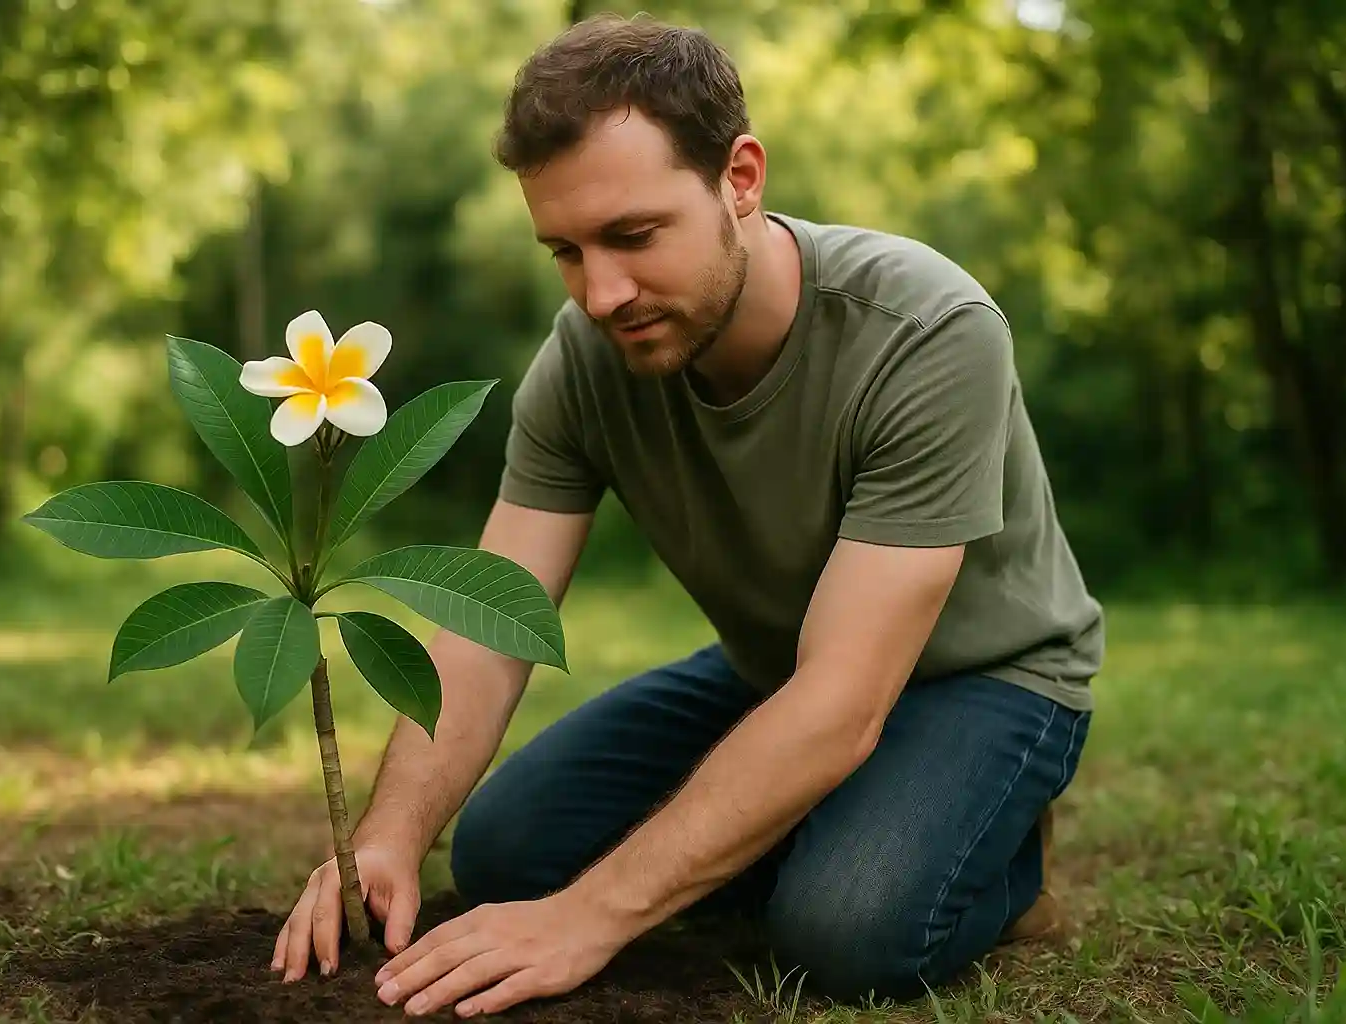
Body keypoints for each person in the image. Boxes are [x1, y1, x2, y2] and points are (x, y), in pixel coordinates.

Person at [271, 12, 1104, 1017]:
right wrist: (388, 834)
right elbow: (489, 629)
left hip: (987, 679)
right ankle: (822, 816)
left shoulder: (928, 334)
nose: (601, 293)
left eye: (632, 236)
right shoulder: (584, 359)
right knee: (504, 850)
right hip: (780, 666)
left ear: (740, 179)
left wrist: (593, 915)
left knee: (846, 930)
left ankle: (997, 858)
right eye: (566, 252)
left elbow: (843, 701)